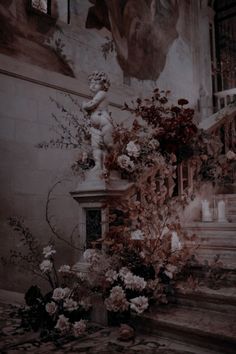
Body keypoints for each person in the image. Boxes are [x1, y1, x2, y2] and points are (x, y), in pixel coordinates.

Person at [82, 71, 113, 172]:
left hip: (105, 124)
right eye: (91, 83)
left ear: (103, 85)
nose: (93, 85)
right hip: (95, 128)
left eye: (96, 83)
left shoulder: (102, 93)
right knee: (95, 146)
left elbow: (93, 103)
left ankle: (109, 164)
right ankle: (98, 165)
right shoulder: (97, 95)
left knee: (107, 145)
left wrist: (85, 106)